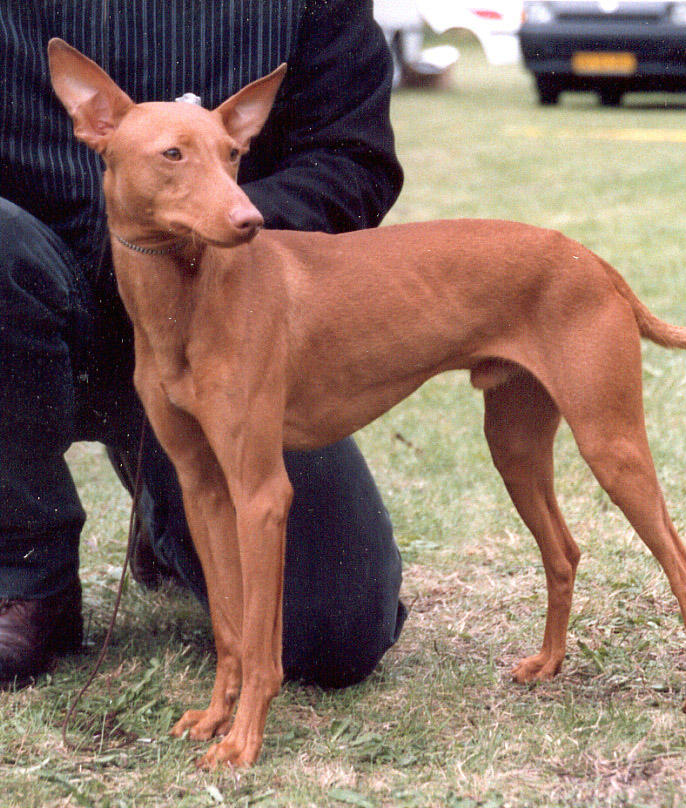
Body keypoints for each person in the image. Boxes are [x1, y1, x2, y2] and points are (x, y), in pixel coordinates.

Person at [0, 0, 407, 689]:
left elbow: (354, 162)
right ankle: (24, 574)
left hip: (223, 314)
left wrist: (211, 224)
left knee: (333, 635)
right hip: (34, 300)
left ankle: (167, 501)